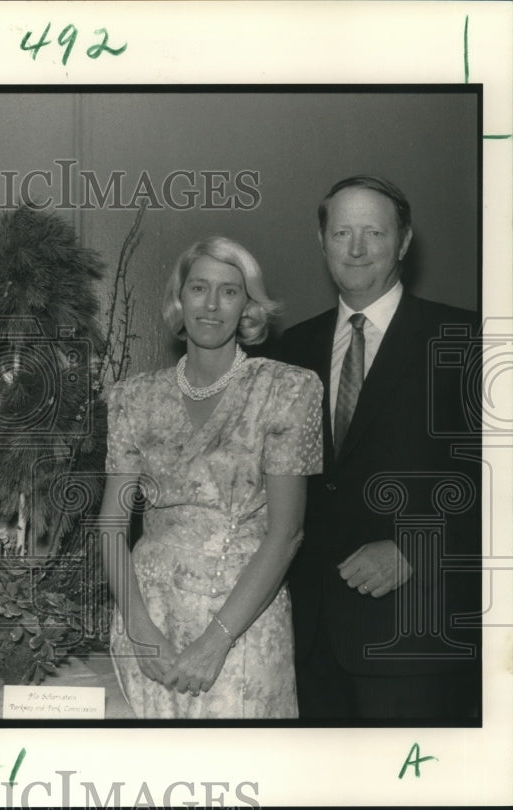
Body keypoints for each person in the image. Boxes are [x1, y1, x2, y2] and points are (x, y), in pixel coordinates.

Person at [279, 176, 481, 721]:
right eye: (342, 232)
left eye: (374, 232)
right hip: (308, 643)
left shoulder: (468, 341)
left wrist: (415, 547)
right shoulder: (288, 350)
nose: (357, 248)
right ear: (322, 241)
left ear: (405, 241)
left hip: (417, 642)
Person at [99, 236, 323, 718]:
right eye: (199, 288)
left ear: (248, 306)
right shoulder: (132, 398)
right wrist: (139, 627)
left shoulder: (287, 389)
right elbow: (112, 526)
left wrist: (215, 641)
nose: (212, 304)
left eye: (229, 291)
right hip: (148, 620)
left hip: (242, 622)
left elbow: (287, 535)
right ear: (180, 300)